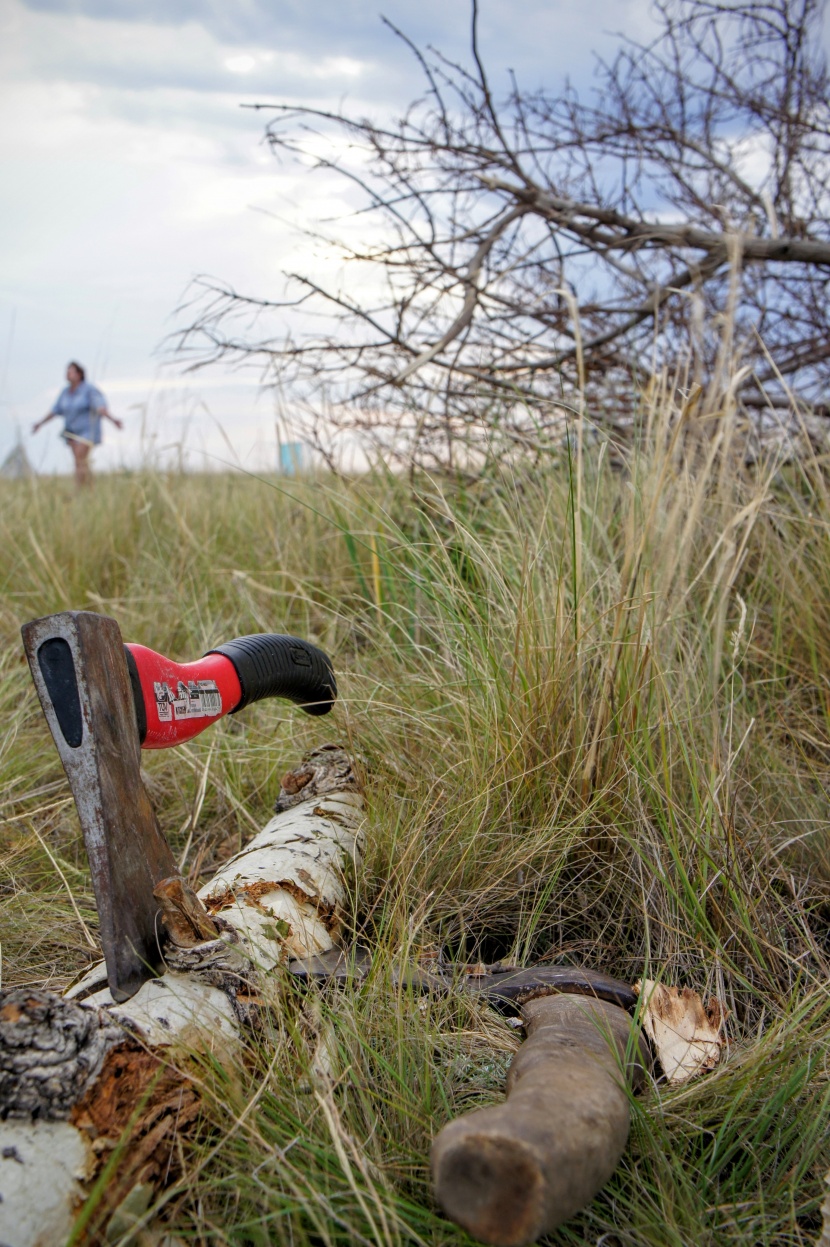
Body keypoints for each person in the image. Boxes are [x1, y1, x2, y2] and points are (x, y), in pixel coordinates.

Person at [32, 362, 123, 486]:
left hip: (87, 431)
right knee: (80, 462)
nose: (67, 374)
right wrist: (40, 423)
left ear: (79, 374)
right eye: (67, 372)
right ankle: (90, 489)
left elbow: (100, 407)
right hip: (71, 431)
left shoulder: (89, 389)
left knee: (80, 459)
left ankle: (78, 491)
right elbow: (55, 410)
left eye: (70, 371)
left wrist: (113, 420)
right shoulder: (65, 392)